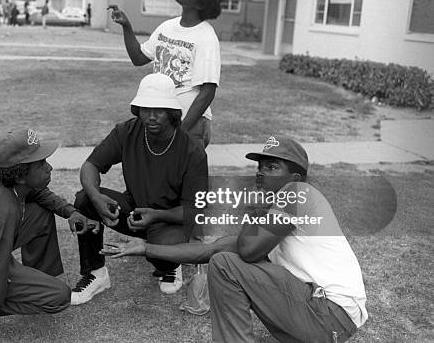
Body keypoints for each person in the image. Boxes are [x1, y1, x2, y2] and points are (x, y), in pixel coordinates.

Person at [102, 135, 368, 343]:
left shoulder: (299, 193)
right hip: (318, 317)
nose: (260, 173)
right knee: (223, 259)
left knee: (226, 264)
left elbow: (248, 251)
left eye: (273, 167)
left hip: (330, 315)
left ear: (295, 177)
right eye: (260, 166)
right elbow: (209, 250)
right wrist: (146, 247)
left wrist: (253, 209)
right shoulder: (271, 220)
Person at [0, 128, 100, 343]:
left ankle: (30, 281)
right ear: (21, 175)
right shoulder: (3, 212)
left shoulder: (10, 180)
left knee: (41, 214)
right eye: (41, 164)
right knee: (58, 297)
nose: (49, 167)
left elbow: (38, 192)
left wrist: (70, 212)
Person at [70, 73, 209, 306]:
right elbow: (90, 166)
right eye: (145, 109)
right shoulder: (127, 131)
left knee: (165, 253)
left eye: (159, 110)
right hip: (134, 213)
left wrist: (157, 215)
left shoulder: (192, 150)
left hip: (170, 221)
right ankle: (96, 274)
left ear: (173, 112)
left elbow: (195, 210)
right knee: (84, 200)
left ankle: (171, 266)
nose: (151, 117)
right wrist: (96, 197)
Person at [108, 0, 229, 148]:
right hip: (163, 122)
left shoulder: (206, 37)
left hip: (190, 124)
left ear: (204, 3)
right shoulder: (167, 26)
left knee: (183, 176)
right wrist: (127, 26)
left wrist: (182, 131)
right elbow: (139, 57)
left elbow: (207, 92)